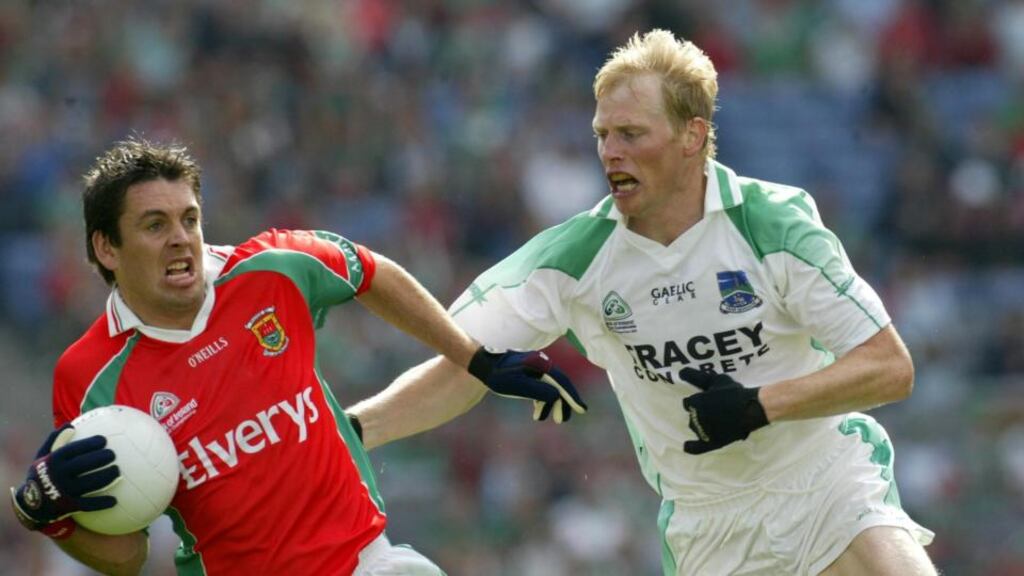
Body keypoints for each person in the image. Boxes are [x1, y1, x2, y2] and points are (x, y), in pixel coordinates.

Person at [348, 29, 937, 575]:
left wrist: (761, 404)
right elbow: (464, 366)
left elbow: (888, 366)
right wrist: (351, 432)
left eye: (632, 134)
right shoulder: (576, 256)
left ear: (692, 136)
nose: (611, 152)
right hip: (706, 526)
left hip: (826, 483)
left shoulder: (770, 223)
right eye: (603, 135)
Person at [8, 137, 586, 576]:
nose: (181, 237)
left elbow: (369, 271)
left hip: (369, 562)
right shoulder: (86, 379)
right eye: (154, 225)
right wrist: (49, 516)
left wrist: (474, 357)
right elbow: (128, 556)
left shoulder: (271, 268)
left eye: (188, 218)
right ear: (106, 247)